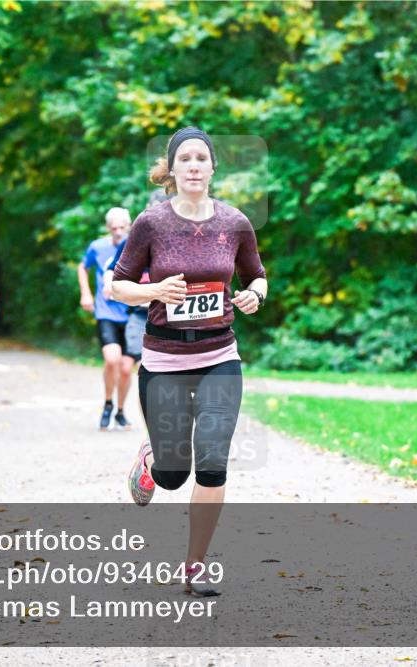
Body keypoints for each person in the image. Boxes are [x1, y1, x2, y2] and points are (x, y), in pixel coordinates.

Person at [111, 127, 268, 597]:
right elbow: (117, 286)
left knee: (214, 462)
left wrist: (254, 295)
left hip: (220, 353)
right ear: (173, 169)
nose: (195, 165)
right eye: (186, 159)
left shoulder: (235, 222)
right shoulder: (151, 223)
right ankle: (153, 457)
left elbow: (257, 276)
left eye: (203, 158)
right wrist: (155, 290)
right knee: (174, 476)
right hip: (163, 357)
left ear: (213, 167)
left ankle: (195, 566)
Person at [102, 189, 172, 421]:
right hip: (141, 316)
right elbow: (111, 269)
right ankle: (150, 433)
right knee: (142, 370)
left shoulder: (187, 237)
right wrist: (108, 285)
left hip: (176, 316)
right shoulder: (137, 237)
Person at [77, 207, 136, 431]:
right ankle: (108, 403)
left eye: (122, 227)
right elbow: (83, 268)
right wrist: (86, 292)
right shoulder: (97, 246)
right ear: (108, 229)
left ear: (129, 226)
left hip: (132, 313)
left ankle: (120, 411)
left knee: (125, 367)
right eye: (114, 228)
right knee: (112, 360)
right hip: (106, 313)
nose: (118, 232)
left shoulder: (137, 246)